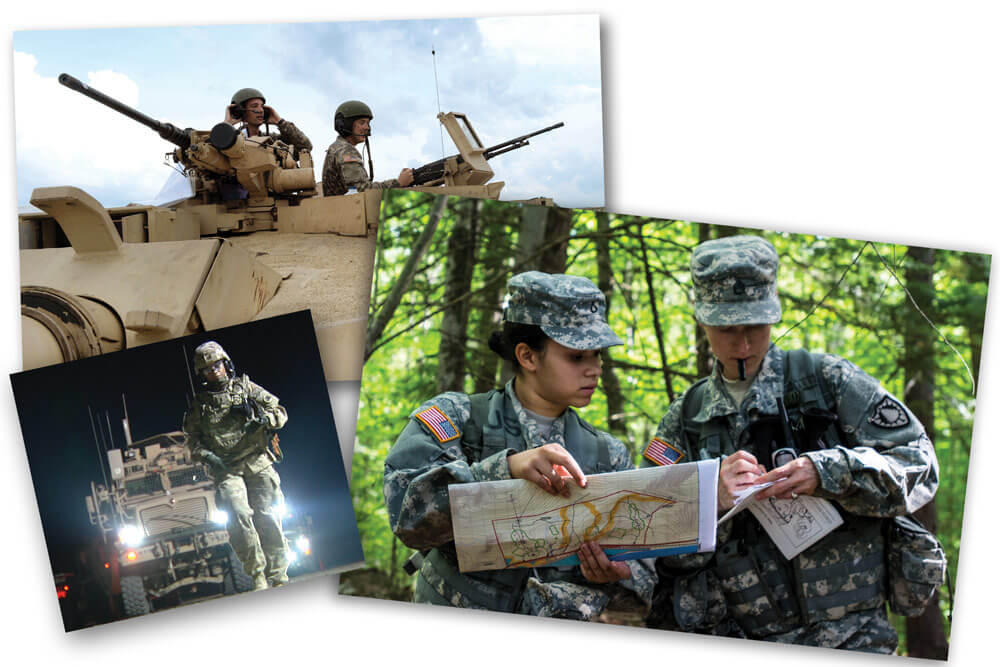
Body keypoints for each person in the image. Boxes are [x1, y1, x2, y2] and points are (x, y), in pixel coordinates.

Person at [643, 235, 939, 652]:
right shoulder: (685, 418)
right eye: (727, 329)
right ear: (702, 321)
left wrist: (831, 472)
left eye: (756, 326)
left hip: (852, 639)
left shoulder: (829, 382)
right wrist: (707, 497)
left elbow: (920, 465)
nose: (742, 344)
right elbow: (644, 531)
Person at [384, 271, 654, 618]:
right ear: (527, 356)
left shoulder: (607, 454)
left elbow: (644, 581)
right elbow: (407, 517)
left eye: (597, 355)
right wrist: (503, 470)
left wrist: (615, 577)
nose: (595, 369)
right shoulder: (458, 419)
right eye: (577, 356)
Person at [183, 341, 290, 591]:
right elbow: (192, 442)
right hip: (227, 469)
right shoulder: (200, 406)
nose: (215, 371)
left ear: (226, 364)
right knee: (238, 515)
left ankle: (279, 574)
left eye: (217, 365)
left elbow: (280, 412)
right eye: (208, 369)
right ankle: (258, 574)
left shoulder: (246, 388)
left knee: (268, 516)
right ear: (202, 374)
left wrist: (263, 419)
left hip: (257, 461)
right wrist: (208, 457)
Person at [322, 100, 414, 196]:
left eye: (368, 123)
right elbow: (362, 190)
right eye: (362, 123)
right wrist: (398, 183)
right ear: (346, 125)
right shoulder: (346, 151)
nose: (367, 128)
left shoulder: (336, 147)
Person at [225, 87, 313, 156]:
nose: (261, 110)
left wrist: (280, 122)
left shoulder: (272, 141)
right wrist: (226, 126)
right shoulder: (231, 141)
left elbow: (305, 147)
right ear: (240, 112)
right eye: (254, 106)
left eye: (262, 106)